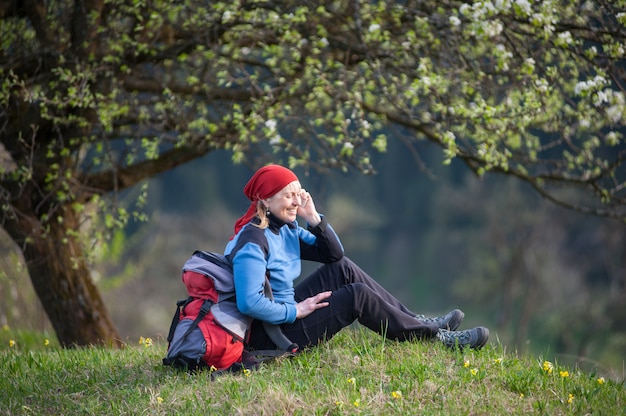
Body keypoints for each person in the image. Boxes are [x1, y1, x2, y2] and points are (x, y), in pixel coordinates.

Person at [224, 164, 489, 353]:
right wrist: (296, 309)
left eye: (298, 194)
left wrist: (313, 218)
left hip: (286, 316)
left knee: (343, 269)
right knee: (356, 295)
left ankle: (416, 321)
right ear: (266, 201)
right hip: (271, 335)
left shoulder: (286, 229)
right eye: (287, 196)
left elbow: (334, 255)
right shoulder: (253, 242)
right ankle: (432, 338)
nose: (295, 202)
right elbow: (249, 303)